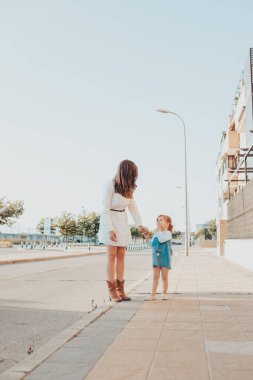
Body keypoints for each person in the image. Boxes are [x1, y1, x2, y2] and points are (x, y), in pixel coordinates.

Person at [99, 160, 148, 302]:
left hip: (122, 220)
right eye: (133, 174)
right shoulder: (109, 185)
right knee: (111, 255)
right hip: (110, 220)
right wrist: (110, 229)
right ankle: (112, 290)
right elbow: (105, 208)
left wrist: (140, 225)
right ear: (126, 172)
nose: (135, 177)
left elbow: (133, 207)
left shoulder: (129, 188)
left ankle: (121, 289)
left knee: (121, 255)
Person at [144, 214, 173, 300]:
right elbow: (152, 245)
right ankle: (153, 295)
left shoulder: (168, 233)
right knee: (155, 277)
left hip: (165, 258)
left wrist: (159, 231)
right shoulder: (157, 234)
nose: (158, 221)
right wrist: (147, 239)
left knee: (164, 277)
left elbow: (161, 240)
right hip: (156, 258)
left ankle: (164, 293)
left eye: (161, 220)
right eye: (157, 220)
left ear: (167, 223)